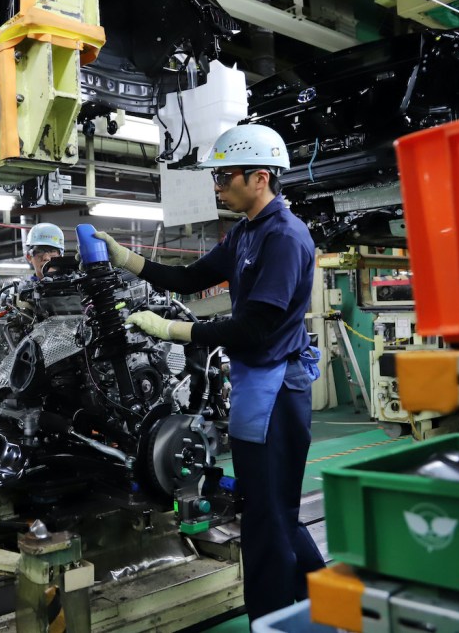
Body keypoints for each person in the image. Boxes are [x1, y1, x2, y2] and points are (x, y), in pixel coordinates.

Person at [87, 124, 325, 623]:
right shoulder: (246, 233)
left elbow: (255, 326)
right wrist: (128, 259)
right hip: (258, 383)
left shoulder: (283, 237)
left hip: (277, 387)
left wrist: (176, 331)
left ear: (260, 178)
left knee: (264, 513)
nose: (217, 185)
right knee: (273, 505)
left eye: (225, 175)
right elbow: (191, 278)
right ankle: (315, 597)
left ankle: (272, 617)